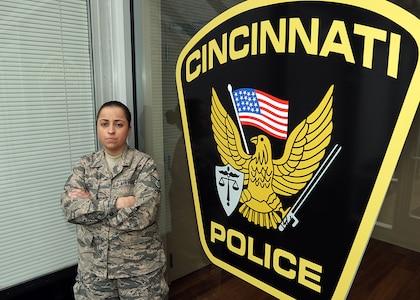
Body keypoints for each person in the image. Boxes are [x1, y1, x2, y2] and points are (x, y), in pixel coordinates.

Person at [61, 101, 168, 299]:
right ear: (97, 127)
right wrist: (118, 203)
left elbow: (144, 215)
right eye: (104, 124)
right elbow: (70, 209)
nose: (111, 130)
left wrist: (92, 209)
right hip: (94, 270)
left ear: (129, 129)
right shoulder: (85, 165)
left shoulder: (144, 164)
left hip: (139, 271)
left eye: (118, 124)